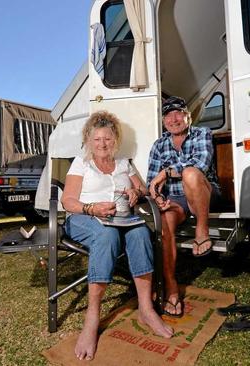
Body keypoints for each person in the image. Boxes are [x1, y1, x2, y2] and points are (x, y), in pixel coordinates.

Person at [61, 110, 174, 361]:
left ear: (116, 140)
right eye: (97, 139)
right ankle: (92, 317)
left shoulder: (124, 163)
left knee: (140, 233)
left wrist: (137, 193)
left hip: (119, 219)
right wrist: (92, 208)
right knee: (106, 237)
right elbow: (67, 201)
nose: (103, 144)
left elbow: (143, 188)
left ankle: (145, 309)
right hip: (83, 218)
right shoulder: (81, 163)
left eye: (108, 139)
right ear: (89, 140)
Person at [146, 96, 221, 317]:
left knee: (190, 173)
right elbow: (153, 181)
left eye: (178, 113)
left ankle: (201, 230)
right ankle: (171, 287)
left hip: (204, 193)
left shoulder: (202, 133)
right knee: (165, 220)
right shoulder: (159, 145)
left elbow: (201, 164)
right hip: (176, 200)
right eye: (168, 116)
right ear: (163, 122)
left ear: (188, 116)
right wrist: (158, 197)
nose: (173, 119)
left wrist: (167, 172)